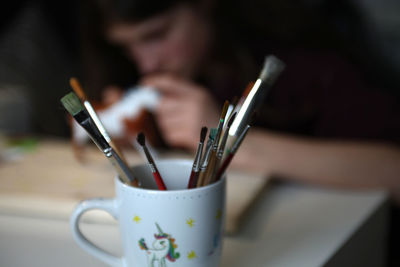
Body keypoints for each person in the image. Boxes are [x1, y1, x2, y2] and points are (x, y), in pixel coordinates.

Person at [79, 0, 400, 264]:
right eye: (127, 48)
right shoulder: (130, 71)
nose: (146, 64)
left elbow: (393, 171)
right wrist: (119, 133)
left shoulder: (304, 63)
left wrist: (237, 144)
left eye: (155, 36)